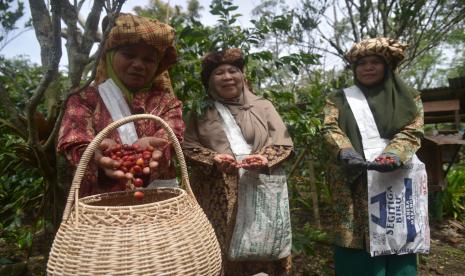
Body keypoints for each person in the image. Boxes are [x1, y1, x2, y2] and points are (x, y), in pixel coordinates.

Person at [183, 48, 294, 276]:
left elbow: (284, 143)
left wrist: (265, 158)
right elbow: (185, 146)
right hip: (217, 197)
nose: (227, 77)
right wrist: (213, 159)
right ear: (209, 81)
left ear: (243, 75)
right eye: (219, 73)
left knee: (263, 250)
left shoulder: (263, 106)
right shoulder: (200, 111)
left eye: (233, 70)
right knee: (222, 253)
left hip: (260, 189)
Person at [322, 37, 428, 275]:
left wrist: (392, 155)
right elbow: (330, 127)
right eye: (361, 63)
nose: (367, 67)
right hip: (352, 180)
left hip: (396, 179)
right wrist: (345, 150)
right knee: (355, 242)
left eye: (374, 62)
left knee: (397, 232)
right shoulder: (337, 98)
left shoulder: (410, 98)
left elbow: (413, 131)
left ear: (388, 66)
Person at [57, 13, 185, 197]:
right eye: (129, 55)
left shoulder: (167, 102)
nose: (139, 65)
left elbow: (173, 134)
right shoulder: (85, 98)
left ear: (158, 66)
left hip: (158, 201)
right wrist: (94, 153)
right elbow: (74, 138)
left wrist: (158, 148)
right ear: (110, 56)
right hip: (101, 205)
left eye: (149, 60)